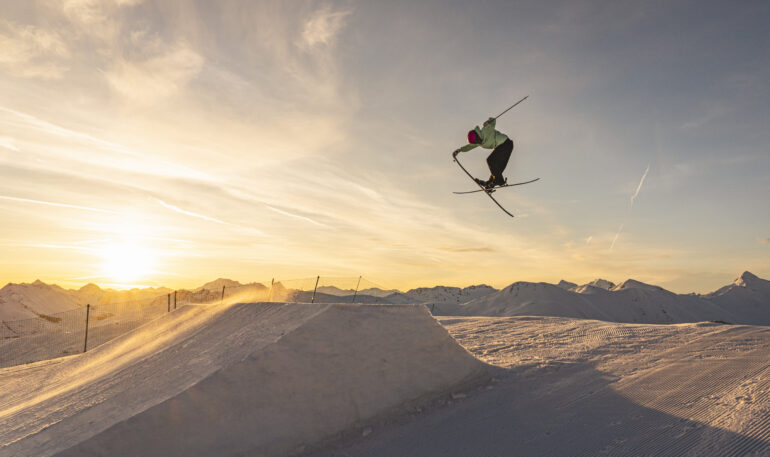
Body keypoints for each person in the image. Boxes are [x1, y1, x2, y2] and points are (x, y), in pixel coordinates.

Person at [453, 117, 513, 189]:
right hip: (502, 147)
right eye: (476, 142)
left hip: (505, 144)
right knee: (496, 169)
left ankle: (499, 181)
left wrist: (488, 122)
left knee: (491, 160)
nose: (478, 142)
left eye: (477, 140)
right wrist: (459, 150)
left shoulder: (485, 130)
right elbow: (469, 147)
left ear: (477, 135)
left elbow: (493, 120)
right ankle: (490, 183)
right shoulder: (478, 142)